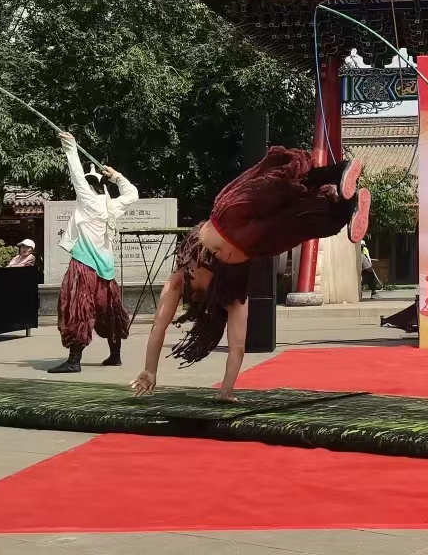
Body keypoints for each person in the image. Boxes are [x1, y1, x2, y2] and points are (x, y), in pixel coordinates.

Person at [131, 149, 370, 401]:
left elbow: (159, 326)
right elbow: (237, 346)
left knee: (280, 187)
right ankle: (348, 208)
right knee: (300, 218)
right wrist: (226, 391)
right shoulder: (230, 293)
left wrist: (150, 368)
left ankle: (338, 172)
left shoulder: (180, 279)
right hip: (250, 240)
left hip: (229, 219)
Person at [47, 132, 138, 374]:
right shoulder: (112, 205)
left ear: (89, 187)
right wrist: (117, 176)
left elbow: (76, 175)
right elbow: (132, 193)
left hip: (84, 266)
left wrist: (70, 146)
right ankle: (115, 355)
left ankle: (74, 361)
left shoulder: (86, 200)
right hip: (107, 272)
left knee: (77, 309)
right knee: (110, 311)